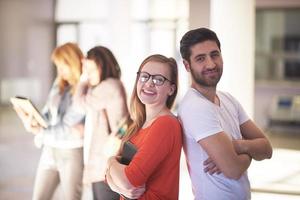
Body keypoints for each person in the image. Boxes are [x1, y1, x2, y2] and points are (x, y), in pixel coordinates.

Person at [178, 27, 273, 200]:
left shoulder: (228, 99)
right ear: (187, 65)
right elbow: (233, 169)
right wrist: (249, 150)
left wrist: (236, 146)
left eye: (214, 54)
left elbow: (267, 148)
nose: (211, 64)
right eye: (200, 58)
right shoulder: (195, 107)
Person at [105, 54, 182, 199]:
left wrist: (110, 162)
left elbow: (128, 181)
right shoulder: (139, 124)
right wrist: (118, 184)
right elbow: (109, 178)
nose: (149, 83)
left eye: (158, 79)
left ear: (171, 89)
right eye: (144, 76)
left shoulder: (166, 124)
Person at [14, 42, 85, 200]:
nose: (59, 71)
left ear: (72, 63)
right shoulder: (59, 83)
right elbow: (47, 113)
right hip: (49, 150)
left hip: (71, 152)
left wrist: (41, 132)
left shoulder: (84, 88)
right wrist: (34, 120)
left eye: (62, 66)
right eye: (57, 66)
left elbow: (67, 127)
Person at [72, 46, 129, 200]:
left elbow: (78, 105)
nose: (88, 74)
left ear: (102, 66)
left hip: (106, 163)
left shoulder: (109, 86)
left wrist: (82, 79)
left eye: (91, 70)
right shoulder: (108, 86)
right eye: (86, 70)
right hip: (105, 162)